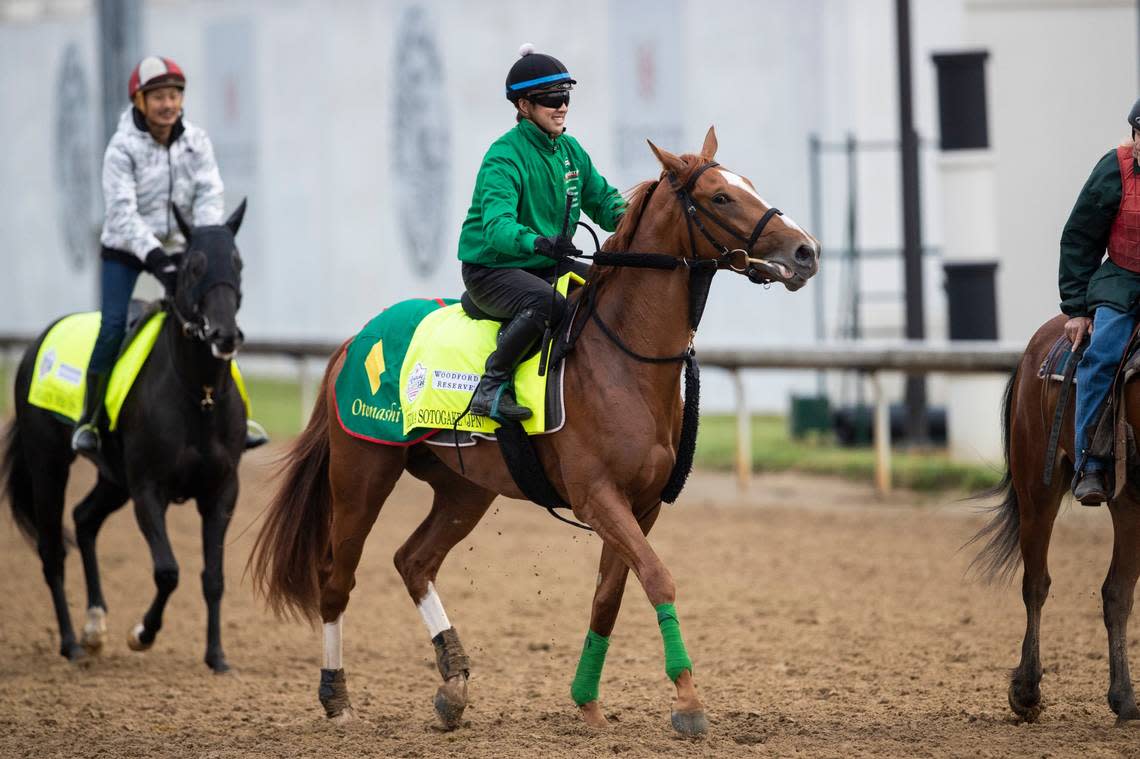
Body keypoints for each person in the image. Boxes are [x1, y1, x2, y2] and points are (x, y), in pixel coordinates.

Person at [71, 56, 268, 455]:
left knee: (218, 319)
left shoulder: (197, 141)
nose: (168, 103)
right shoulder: (120, 149)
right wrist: (158, 258)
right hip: (126, 250)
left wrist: (205, 241)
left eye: (175, 95)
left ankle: (237, 418)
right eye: (158, 96)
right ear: (139, 101)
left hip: (184, 249)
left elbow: (210, 193)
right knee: (112, 327)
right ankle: (91, 421)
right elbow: (123, 214)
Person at [457, 44, 626, 422]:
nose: (561, 106)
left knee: (608, 288)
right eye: (551, 98)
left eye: (565, 96)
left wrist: (644, 217)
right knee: (549, 303)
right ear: (523, 106)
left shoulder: (570, 150)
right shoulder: (503, 156)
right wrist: (539, 242)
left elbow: (604, 203)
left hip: (543, 266)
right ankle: (491, 385)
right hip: (492, 270)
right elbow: (497, 228)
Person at [1060, 97, 1140, 505]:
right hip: (1123, 281)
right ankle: (1091, 462)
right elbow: (1079, 236)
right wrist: (1076, 308)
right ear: (1134, 135)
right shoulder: (1114, 169)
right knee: (1102, 355)